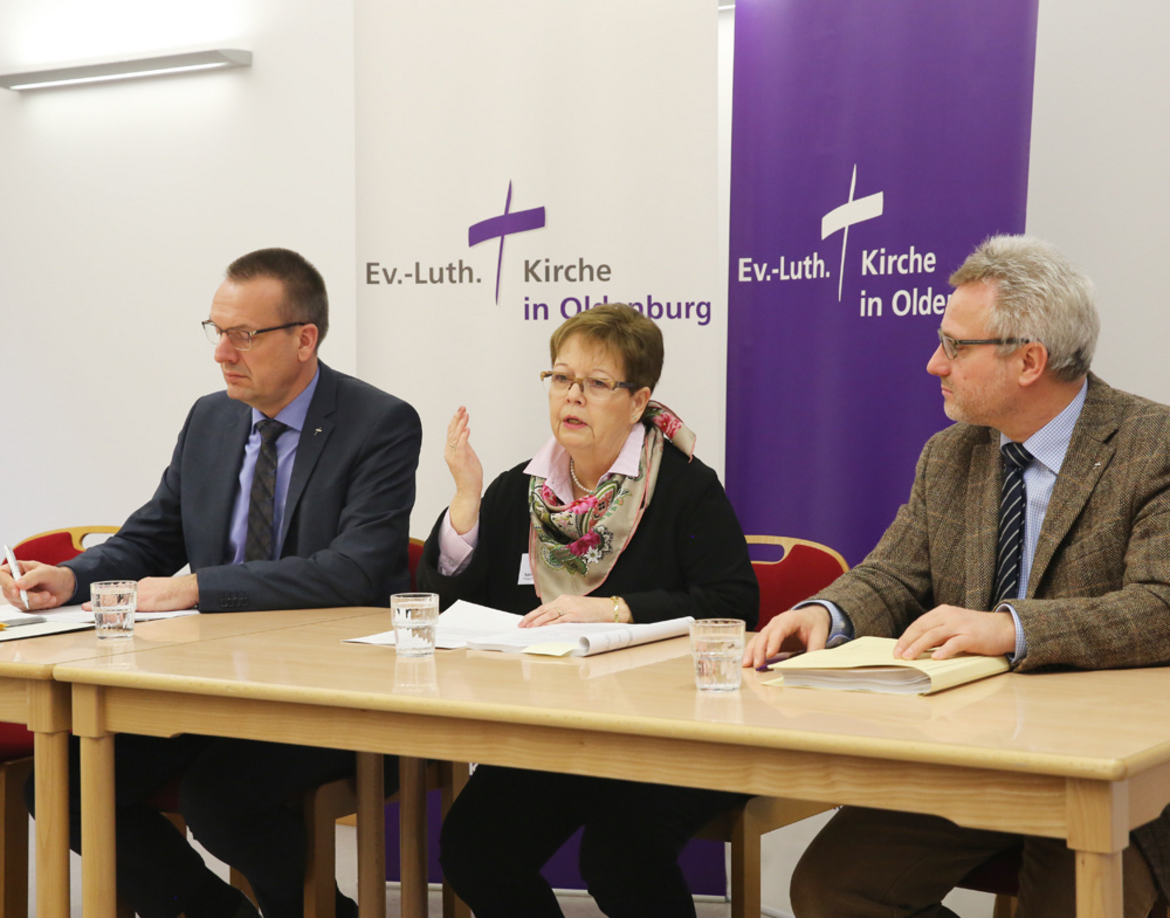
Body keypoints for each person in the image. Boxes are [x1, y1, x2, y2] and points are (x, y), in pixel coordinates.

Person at [743, 235, 1170, 917]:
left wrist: (1010, 628)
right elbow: (893, 573)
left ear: (1029, 360)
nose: (933, 363)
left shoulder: (1152, 446)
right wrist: (826, 614)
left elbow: (1160, 607)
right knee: (831, 889)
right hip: (974, 754)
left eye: (956, 346)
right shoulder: (951, 455)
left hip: (1109, 769)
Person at [1, 248, 422, 918]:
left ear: (304, 339)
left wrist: (195, 589)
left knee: (220, 800)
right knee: (69, 785)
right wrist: (72, 576)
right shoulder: (211, 418)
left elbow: (356, 569)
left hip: (328, 693)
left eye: (243, 335)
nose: (222, 352)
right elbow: (153, 537)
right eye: (215, 331)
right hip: (206, 684)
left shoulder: (379, 424)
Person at [417, 302, 758, 918]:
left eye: (596, 384)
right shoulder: (518, 490)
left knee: (619, 857)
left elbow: (733, 604)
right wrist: (466, 499)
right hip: (552, 730)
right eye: (561, 378)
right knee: (474, 848)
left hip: (665, 734)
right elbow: (448, 607)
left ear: (637, 400)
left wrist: (618, 609)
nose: (572, 396)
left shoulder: (684, 487)